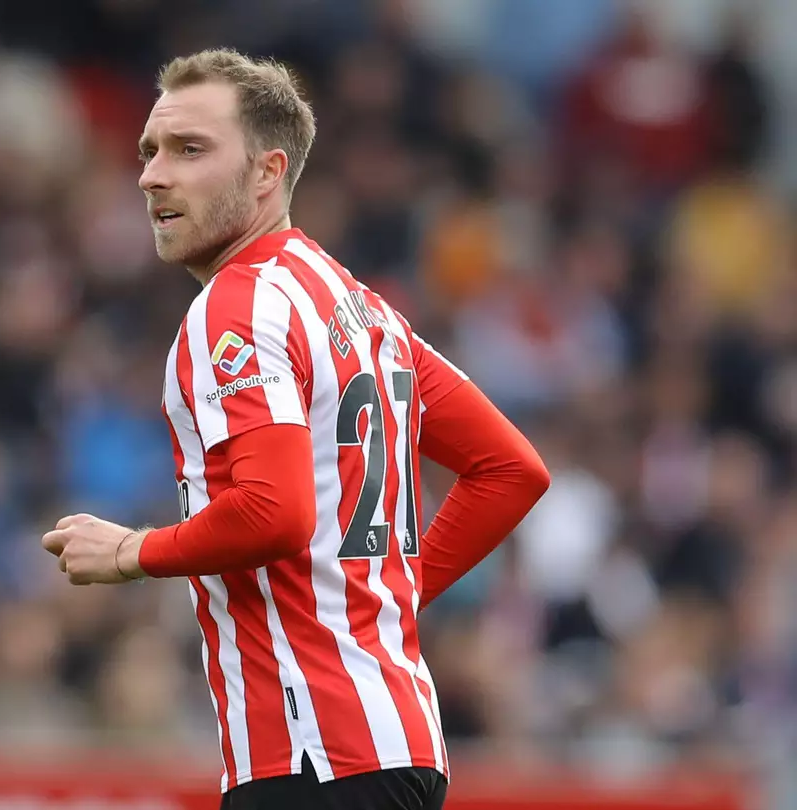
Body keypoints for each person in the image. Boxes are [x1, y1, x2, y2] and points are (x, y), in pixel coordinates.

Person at [40, 49, 551, 810]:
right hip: (397, 742)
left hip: (311, 758)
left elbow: (274, 511)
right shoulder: (365, 311)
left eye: (189, 150)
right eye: (148, 151)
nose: (152, 176)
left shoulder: (235, 306)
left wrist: (131, 552)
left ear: (267, 174)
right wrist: (384, 600)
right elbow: (513, 471)